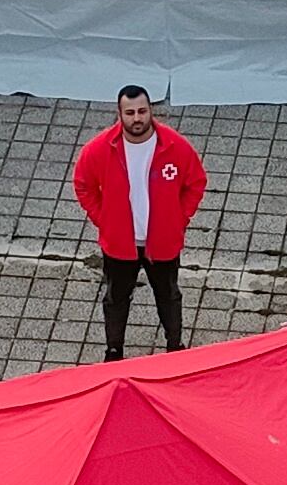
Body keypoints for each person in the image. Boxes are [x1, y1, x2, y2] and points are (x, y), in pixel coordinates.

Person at [70, 85, 205, 358]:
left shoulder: (175, 146)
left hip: (163, 243)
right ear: (119, 114)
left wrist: (179, 219)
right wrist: (103, 219)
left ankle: (174, 346)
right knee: (116, 298)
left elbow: (196, 182)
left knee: (168, 296)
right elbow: (82, 185)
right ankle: (114, 349)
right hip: (120, 244)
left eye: (142, 111)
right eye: (129, 112)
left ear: (151, 111)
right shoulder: (98, 150)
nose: (137, 118)